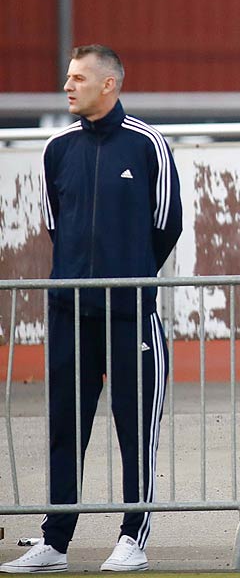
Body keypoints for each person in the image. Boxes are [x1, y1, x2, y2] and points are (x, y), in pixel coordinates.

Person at [7, 47, 182, 576]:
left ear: (109, 85)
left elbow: (167, 224)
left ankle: (134, 537)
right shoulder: (56, 149)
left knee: (135, 428)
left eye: (78, 78)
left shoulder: (149, 144)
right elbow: (56, 224)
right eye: (67, 76)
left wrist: (129, 278)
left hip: (131, 315)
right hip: (68, 314)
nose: (68, 86)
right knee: (65, 427)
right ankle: (54, 540)